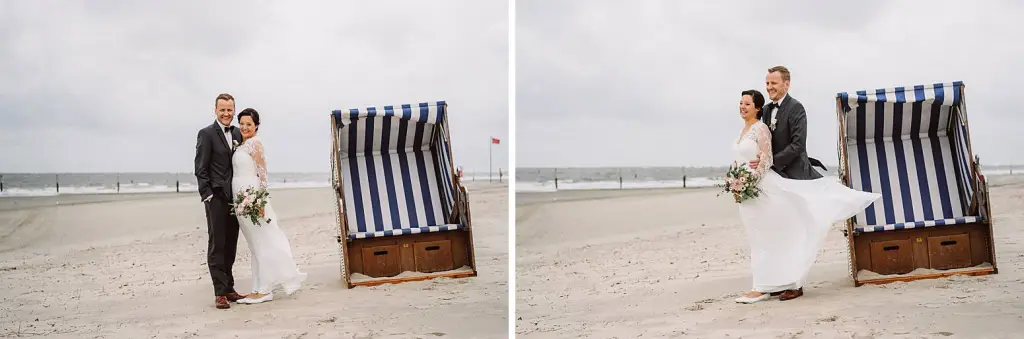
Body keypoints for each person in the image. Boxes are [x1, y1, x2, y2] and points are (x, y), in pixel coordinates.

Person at [732, 88, 880, 304]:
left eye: (747, 103)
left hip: (771, 181)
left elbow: (787, 148)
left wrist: (752, 179)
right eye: (741, 103)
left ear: (786, 84)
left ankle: (781, 283)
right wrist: (736, 182)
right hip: (748, 193)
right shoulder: (755, 120)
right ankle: (770, 283)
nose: (742, 106)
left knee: (786, 228)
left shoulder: (784, 114)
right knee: (761, 237)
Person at [231, 108, 307, 304]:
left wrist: (261, 201)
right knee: (254, 244)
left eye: (249, 124)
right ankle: (257, 287)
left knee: (261, 241)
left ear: (256, 125)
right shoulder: (243, 144)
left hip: (252, 198)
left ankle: (264, 290)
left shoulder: (255, 143)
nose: (245, 127)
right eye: (242, 123)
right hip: (241, 199)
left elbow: (263, 174)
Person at [194, 93, 247, 309]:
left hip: (234, 198)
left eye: (229, 109)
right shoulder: (205, 134)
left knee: (231, 244)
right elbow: (200, 167)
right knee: (217, 244)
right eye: (222, 109)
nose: (226, 113)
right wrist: (207, 195)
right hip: (215, 197)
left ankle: (229, 287)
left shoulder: (237, 133)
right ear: (215, 110)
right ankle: (219, 293)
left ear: (234, 110)